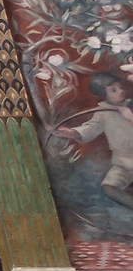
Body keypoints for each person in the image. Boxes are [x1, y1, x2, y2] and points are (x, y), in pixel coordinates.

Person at [53, 73, 133, 210]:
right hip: (122, 161)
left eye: (120, 88)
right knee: (109, 187)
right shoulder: (102, 112)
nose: (120, 91)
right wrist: (73, 133)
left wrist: (130, 116)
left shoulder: (130, 105)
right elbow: (91, 127)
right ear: (103, 94)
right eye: (113, 90)